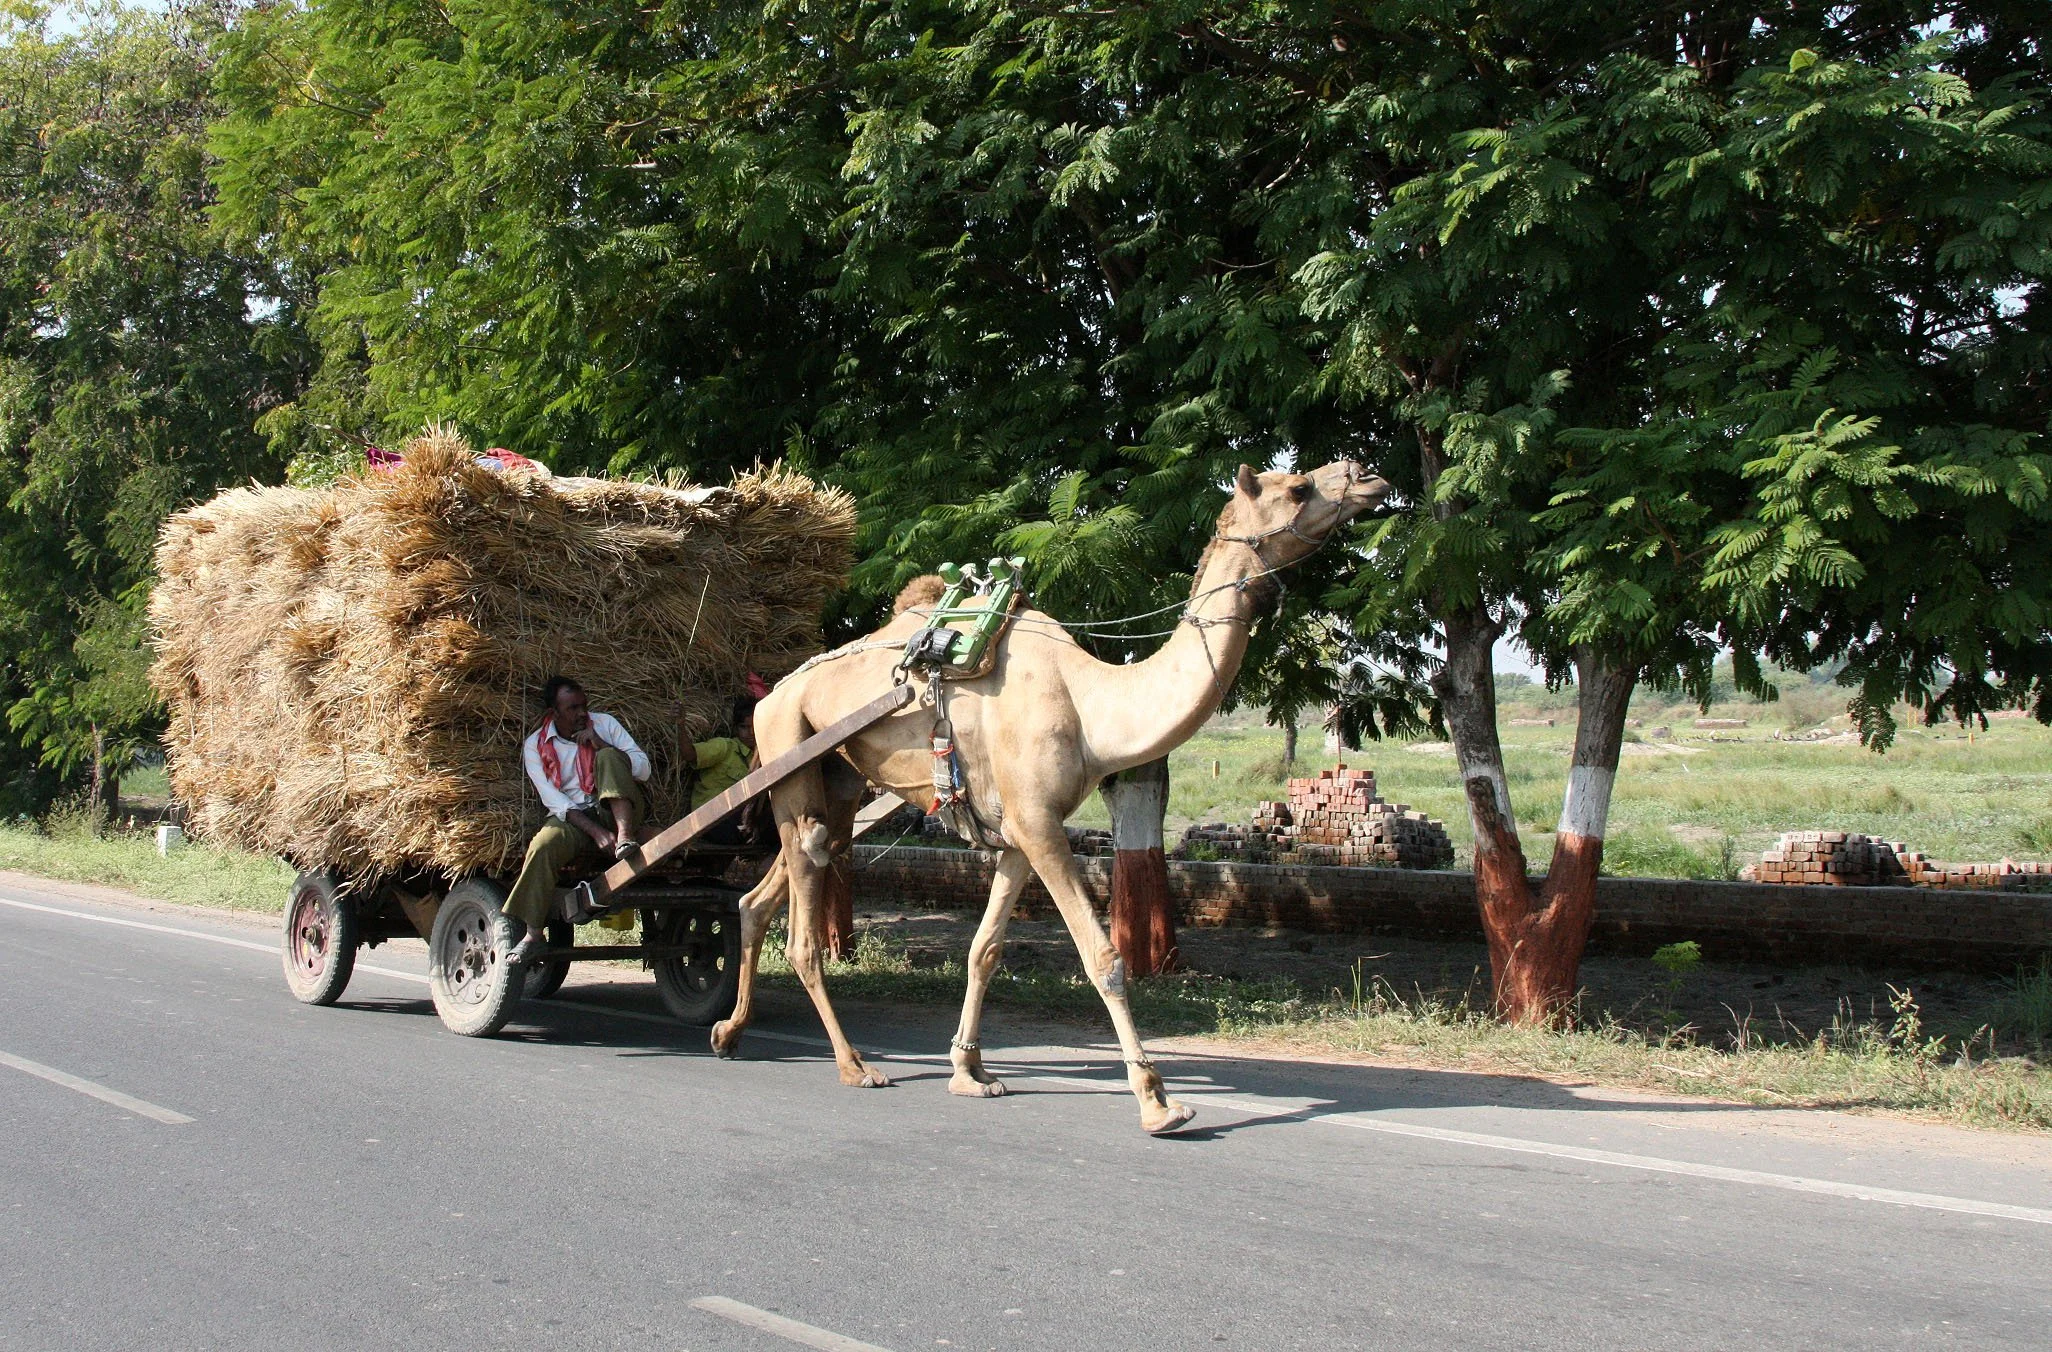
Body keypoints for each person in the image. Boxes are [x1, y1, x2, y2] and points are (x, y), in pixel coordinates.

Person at [505, 676, 652, 964]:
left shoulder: (605, 724)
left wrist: (599, 745)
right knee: (543, 845)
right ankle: (533, 934)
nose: (581, 714)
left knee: (609, 756)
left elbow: (644, 769)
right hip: (574, 817)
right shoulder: (535, 745)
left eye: (584, 706)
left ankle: (625, 838)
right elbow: (554, 800)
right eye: (572, 708)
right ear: (554, 712)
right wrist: (595, 832)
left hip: (616, 808)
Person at [677, 695, 762, 848]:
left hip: (740, 820)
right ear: (736, 729)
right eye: (744, 727)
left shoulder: (764, 755)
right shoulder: (724, 747)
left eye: (754, 726)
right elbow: (689, 754)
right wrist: (681, 726)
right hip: (711, 820)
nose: (751, 733)